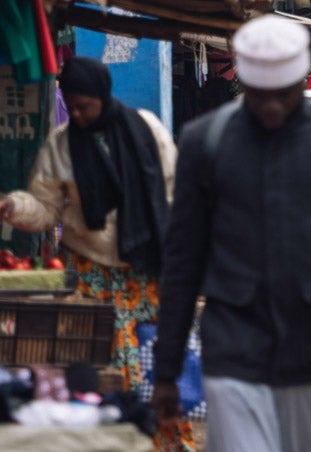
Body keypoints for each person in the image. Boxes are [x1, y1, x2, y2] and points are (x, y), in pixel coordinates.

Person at [152, 15, 311, 452]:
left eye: (283, 95)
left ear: (301, 81)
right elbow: (182, 261)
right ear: (244, 83)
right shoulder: (205, 142)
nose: (271, 107)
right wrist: (166, 370)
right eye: (260, 96)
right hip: (233, 347)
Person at [0, 57, 192, 451]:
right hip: (88, 274)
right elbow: (46, 206)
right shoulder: (61, 144)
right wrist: (15, 208)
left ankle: (159, 441)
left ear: (103, 96)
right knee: (96, 368)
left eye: (85, 105)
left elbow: (175, 192)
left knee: (150, 364)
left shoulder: (148, 129)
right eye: (71, 106)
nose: (79, 114)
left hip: (144, 269)